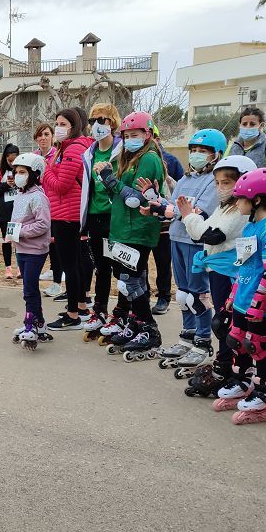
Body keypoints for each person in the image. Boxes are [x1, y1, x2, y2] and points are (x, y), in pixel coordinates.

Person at [212, 168, 266, 423]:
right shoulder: (251, 227)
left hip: (262, 303)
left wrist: (258, 305)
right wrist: (233, 296)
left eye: (240, 198)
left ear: (257, 200)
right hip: (244, 297)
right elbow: (244, 265)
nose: (236, 203)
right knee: (235, 339)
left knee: (256, 344)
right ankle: (245, 380)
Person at [151, 129, 227, 370]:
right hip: (176, 238)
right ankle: (187, 336)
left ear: (217, 155)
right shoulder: (185, 180)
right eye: (193, 150)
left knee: (197, 294)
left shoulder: (213, 182)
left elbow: (198, 213)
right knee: (183, 294)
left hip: (196, 242)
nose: (196, 155)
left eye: (202, 151)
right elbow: (174, 208)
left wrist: (172, 211)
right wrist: (157, 202)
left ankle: (203, 341)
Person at [180, 155, 255, 398]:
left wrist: (189, 216)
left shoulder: (240, 210)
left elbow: (213, 236)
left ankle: (233, 368)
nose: (220, 188)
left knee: (226, 322)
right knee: (224, 322)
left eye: (226, 182)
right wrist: (194, 221)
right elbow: (201, 234)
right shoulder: (226, 207)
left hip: (230, 271)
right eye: (218, 182)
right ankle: (226, 364)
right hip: (218, 269)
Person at [94, 112, 165, 359]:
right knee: (130, 279)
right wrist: (107, 180)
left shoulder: (149, 159)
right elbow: (120, 194)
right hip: (123, 227)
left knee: (130, 281)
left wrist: (110, 180)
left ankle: (149, 328)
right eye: (126, 136)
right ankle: (135, 321)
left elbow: (137, 199)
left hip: (138, 228)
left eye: (135, 135)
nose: (130, 139)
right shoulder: (128, 157)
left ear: (147, 135)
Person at [44, 108, 95, 331]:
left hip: (67, 214)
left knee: (70, 265)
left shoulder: (73, 149)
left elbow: (61, 185)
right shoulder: (67, 148)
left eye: (63, 124)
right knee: (74, 263)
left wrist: (45, 170)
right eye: (57, 123)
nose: (58, 128)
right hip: (68, 212)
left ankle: (73, 313)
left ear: (74, 126)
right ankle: (81, 306)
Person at [79, 103, 123, 335]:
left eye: (103, 119)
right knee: (102, 268)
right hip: (95, 217)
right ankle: (100, 310)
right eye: (93, 120)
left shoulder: (122, 150)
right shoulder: (89, 153)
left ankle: (124, 313)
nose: (97, 125)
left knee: (122, 268)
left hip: (116, 217)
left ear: (113, 122)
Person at [8, 152, 52, 349]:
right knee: (28, 286)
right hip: (21, 248)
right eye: (16, 172)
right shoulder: (20, 195)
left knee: (29, 289)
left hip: (35, 249)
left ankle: (31, 323)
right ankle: (39, 323)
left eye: (23, 172)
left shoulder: (38, 197)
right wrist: (13, 234)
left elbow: (43, 224)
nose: (18, 175)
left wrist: (21, 232)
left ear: (34, 173)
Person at [150, 143, 185, 315]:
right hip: (141, 225)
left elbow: (179, 196)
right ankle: (141, 294)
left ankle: (164, 296)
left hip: (163, 227)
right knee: (138, 264)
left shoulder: (169, 177)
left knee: (163, 262)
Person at [33, 121, 63, 293]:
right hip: (37, 206)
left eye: (46, 134)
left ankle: (57, 283)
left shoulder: (57, 155)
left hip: (54, 206)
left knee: (55, 246)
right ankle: (51, 271)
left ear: (52, 136)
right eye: (40, 135)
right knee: (41, 243)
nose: (43, 138)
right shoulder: (34, 156)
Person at [225, 107, 266, 179]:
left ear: (261, 126)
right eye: (244, 124)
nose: (248, 127)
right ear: (239, 125)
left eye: (252, 124)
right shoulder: (231, 148)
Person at [0, 143, 20, 279]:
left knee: (18, 240)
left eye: (15, 160)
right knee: (7, 240)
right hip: (4, 212)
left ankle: (19, 267)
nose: (12, 163)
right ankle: (8, 268)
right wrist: (6, 185)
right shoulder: (0, 172)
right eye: (10, 161)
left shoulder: (21, 171)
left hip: (18, 212)